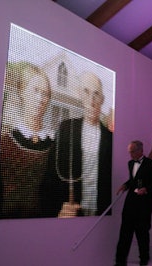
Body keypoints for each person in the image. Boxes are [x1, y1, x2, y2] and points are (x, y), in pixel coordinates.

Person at [43, 71, 112, 217]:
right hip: (71, 212)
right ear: (80, 94)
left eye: (96, 94)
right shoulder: (66, 129)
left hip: (101, 213)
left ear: (102, 99)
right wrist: (56, 210)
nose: (91, 101)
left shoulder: (110, 138)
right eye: (86, 92)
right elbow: (51, 176)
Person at [0, 62, 53, 219]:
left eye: (45, 94)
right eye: (35, 91)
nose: (40, 99)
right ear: (22, 91)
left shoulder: (54, 147)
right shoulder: (5, 143)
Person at [115, 141, 152, 266]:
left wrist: (146, 189)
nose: (130, 154)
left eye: (133, 151)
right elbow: (133, 181)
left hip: (144, 205)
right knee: (125, 233)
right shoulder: (130, 163)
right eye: (129, 152)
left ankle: (144, 260)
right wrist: (125, 185)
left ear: (141, 150)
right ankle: (120, 261)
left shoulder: (151, 164)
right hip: (130, 203)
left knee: (142, 233)